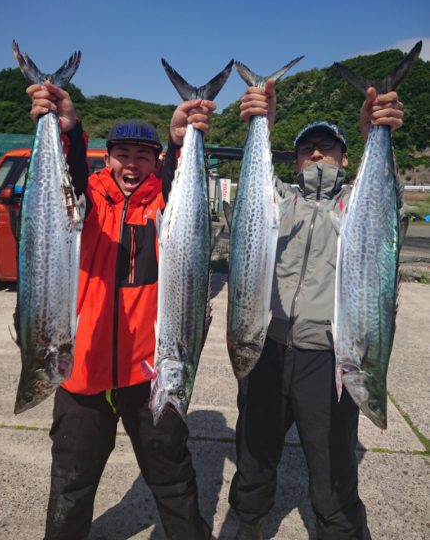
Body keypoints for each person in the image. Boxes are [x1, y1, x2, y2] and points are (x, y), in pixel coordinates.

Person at [27, 80, 215, 540]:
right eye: (123, 154)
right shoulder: (86, 201)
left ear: (155, 163)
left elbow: (180, 184)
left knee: (174, 482)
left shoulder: (165, 205)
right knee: (71, 486)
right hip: (82, 373)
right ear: (107, 157)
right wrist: (68, 130)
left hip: (148, 373)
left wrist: (179, 139)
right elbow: (64, 174)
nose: (132, 164)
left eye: (143, 156)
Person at [228, 79, 405, 540]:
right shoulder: (277, 200)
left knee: (333, 478)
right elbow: (251, 193)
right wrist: (261, 123)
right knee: (251, 465)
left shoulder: (355, 204)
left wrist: (378, 136)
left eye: (329, 147)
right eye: (308, 148)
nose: (318, 155)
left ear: (345, 158)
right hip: (266, 350)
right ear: (295, 158)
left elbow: (391, 209)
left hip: (328, 360)